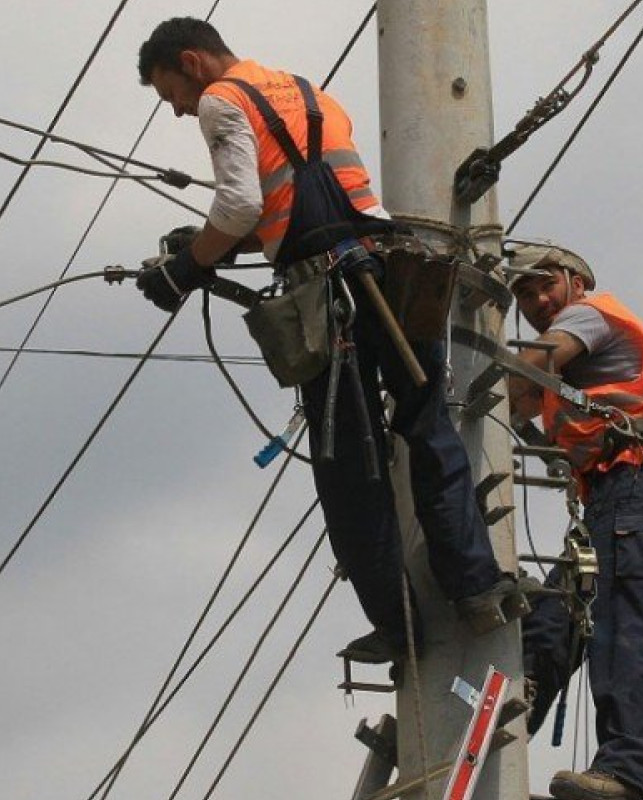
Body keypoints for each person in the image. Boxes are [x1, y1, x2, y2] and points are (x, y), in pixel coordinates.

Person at [132, 18, 525, 664]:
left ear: (192, 63)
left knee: (351, 468)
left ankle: (401, 629)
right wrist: (208, 252)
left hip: (329, 297)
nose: (175, 109)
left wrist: (185, 269)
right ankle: (477, 587)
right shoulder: (307, 91)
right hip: (391, 273)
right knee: (429, 427)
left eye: (167, 90)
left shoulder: (219, 100)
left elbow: (236, 207)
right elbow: (300, 199)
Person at [505, 243, 643, 800]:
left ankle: (625, 775)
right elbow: (511, 406)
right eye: (523, 294)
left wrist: (473, 372)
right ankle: (504, 735)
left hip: (636, 483)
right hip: (610, 497)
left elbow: (519, 377)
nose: (537, 300)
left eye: (546, 284)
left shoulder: (588, 314)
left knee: (625, 626)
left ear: (576, 281)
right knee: (556, 617)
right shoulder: (576, 340)